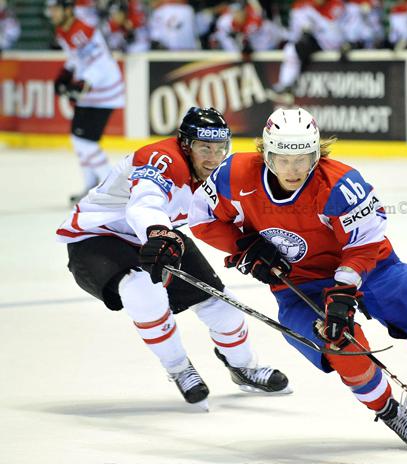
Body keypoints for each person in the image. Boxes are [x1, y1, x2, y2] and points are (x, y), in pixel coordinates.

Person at [188, 107, 407, 448]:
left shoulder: (342, 184)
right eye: (283, 159)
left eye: (302, 159)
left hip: (375, 270)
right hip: (300, 283)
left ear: (317, 153)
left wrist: (344, 293)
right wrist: (245, 246)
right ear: (266, 153)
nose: (293, 169)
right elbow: (202, 220)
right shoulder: (234, 174)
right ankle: (388, 410)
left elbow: (364, 244)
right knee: (341, 346)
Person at [56, 107, 291, 407]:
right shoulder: (160, 159)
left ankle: (245, 367)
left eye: (220, 148)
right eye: (204, 147)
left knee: (222, 305)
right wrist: (158, 233)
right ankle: (179, 368)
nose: (213, 157)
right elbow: (143, 206)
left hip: (157, 236)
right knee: (142, 291)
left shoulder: (218, 173)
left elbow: (223, 219)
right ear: (185, 145)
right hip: (95, 238)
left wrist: (252, 245)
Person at [47, 0, 125, 204]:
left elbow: (100, 62)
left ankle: (112, 189)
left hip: (104, 91)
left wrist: (85, 82)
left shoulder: (82, 30)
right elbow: (76, 58)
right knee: (77, 139)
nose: (51, 13)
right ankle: (91, 185)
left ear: (67, 10)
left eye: (55, 9)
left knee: (86, 142)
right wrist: (66, 73)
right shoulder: (63, 30)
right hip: (92, 92)